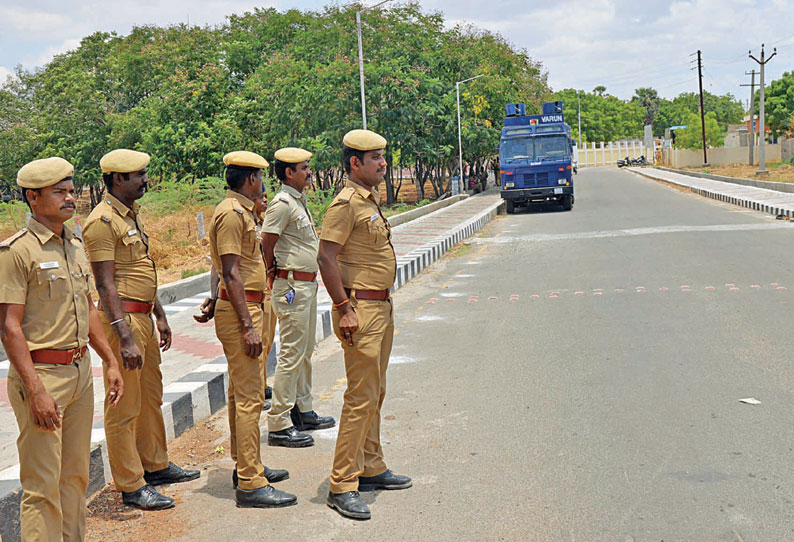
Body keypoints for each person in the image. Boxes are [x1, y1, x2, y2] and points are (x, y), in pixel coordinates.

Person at [0, 157, 124, 541]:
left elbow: (87, 308)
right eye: (59, 192)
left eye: (71, 190)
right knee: (42, 486)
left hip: (80, 373)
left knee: (75, 477)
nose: (70, 198)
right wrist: (35, 389)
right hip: (43, 377)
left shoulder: (73, 244)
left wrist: (110, 360)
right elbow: (9, 326)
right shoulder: (15, 252)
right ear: (33, 198)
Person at [82, 149, 199, 510]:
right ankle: (131, 484)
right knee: (124, 406)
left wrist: (160, 315)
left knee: (150, 398)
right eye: (140, 175)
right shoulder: (102, 222)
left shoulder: (129, 217)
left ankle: (155, 465)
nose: (146, 180)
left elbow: (142, 271)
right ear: (118, 179)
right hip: (124, 323)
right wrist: (126, 337)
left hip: (143, 317)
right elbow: (105, 285)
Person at [317, 130, 412, 520]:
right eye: (375, 158)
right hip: (360, 310)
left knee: (376, 392)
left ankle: (371, 466)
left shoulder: (368, 201)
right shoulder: (344, 204)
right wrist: (344, 308)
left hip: (381, 308)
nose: (383, 163)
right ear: (354, 163)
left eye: (383, 157)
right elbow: (326, 258)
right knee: (359, 397)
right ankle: (342, 483)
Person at [208, 151, 295, 508]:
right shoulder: (231, 214)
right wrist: (248, 326)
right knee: (249, 398)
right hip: (242, 314)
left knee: (239, 394)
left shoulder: (241, 211)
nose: (263, 183)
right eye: (260, 177)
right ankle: (250, 483)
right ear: (251, 180)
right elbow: (230, 272)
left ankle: (246, 464)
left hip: (250, 306)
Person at [262, 147, 335, 449]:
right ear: (289, 172)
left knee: (305, 350)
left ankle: (303, 410)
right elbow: (267, 241)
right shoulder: (281, 204)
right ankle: (279, 422)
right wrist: (271, 272)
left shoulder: (297, 201)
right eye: (304, 168)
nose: (309, 172)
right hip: (291, 287)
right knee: (291, 353)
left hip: (306, 285)